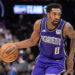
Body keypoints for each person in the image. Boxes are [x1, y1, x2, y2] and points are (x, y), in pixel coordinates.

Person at [2, 3, 75, 75]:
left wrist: (70, 57)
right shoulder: (39, 24)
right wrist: (14, 45)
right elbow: (32, 41)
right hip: (42, 60)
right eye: (54, 14)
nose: (57, 17)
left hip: (56, 62)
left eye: (59, 14)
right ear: (48, 14)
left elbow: (74, 38)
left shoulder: (66, 27)